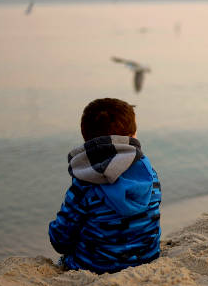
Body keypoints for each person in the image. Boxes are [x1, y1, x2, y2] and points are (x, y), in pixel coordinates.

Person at [48, 98, 161, 274]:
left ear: (86, 139)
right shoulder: (149, 174)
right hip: (148, 259)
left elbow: (60, 240)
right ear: (132, 137)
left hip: (96, 267)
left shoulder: (85, 182)